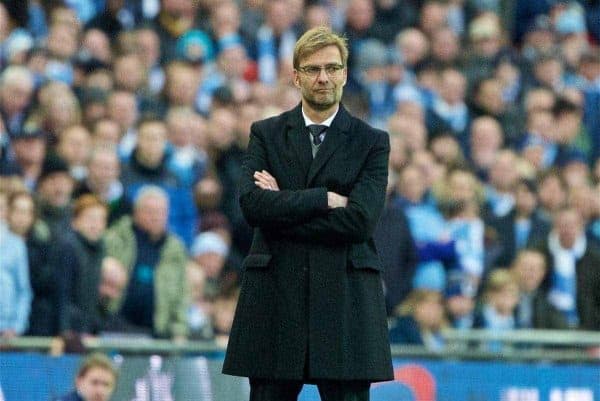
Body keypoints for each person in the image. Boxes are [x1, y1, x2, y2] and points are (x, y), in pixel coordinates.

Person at [222, 27, 393, 401]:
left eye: (333, 68)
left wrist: (283, 206)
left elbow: (360, 221)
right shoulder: (265, 133)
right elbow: (252, 206)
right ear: (295, 75)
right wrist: (323, 199)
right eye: (313, 69)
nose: (323, 77)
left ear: (346, 74)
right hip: (276, 298)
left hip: (345, 299)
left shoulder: (372, 142)